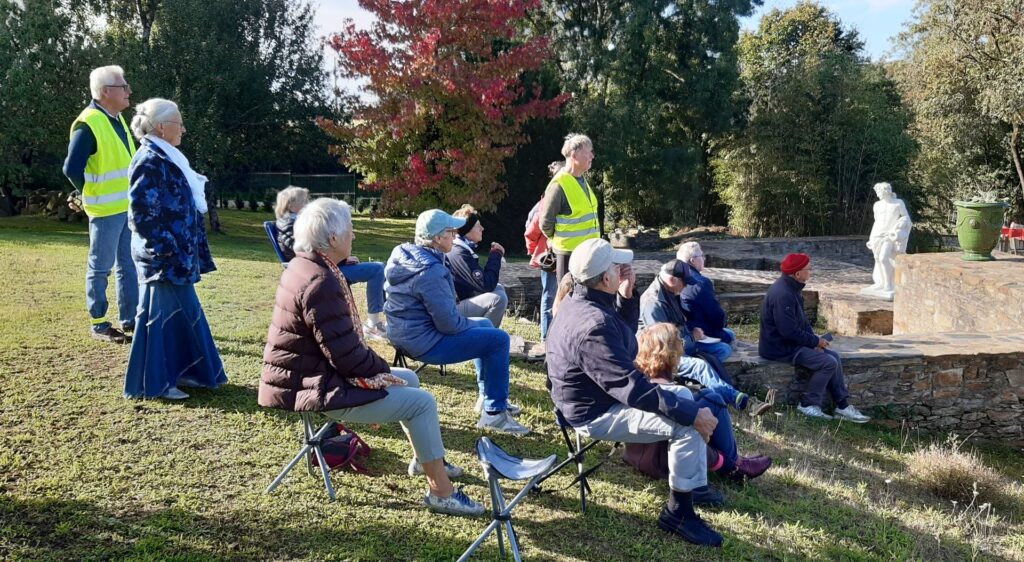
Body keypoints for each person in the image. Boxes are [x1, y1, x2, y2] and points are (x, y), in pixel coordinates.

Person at [259, 198, 484, 516]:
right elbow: (347, 358)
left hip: (308, 375)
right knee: (422, 402)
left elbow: (342, 349)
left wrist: (380, 371)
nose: (354, 235)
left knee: (410, 378)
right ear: (333, 238)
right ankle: (441, 493)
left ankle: (424, 459)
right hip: (312, 386)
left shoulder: (307, 265)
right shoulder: (321, 282)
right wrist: (380, 372)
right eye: (350, 230)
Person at [546, 238, 726, 547]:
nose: (623, 269)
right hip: (594, 412)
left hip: (595, 397)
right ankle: (679, 513)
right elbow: (631, 389)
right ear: (605, 279)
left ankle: (693, 484)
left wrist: (626, 296)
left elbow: (624, 344)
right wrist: (692, 415)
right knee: (687, 422)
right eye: (616, 267)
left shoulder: (580, 301)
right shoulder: (593, 324)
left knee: (684, 400)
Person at [384, 209, 530, 435]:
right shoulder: (430, 271)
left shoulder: (406, 254)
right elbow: (449, 325)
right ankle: (494, 414)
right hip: (423, 342)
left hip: (403, 334)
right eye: (451, 232)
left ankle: (487, 398)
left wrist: (474, 324)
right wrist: (470, 324)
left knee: (486, 326)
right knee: (499, 339)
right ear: (437, 238)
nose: (455, 236)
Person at [123, 98, 226, 400]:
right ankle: (157, 383)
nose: (183, 129)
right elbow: (142, 214)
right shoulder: (149, 160)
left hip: (177, 257)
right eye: (179, 123)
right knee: (161, 320)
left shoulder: (167, 156)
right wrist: (167, 250)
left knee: (184, 314)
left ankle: (188, 374)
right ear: (161, 127)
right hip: (163, 260)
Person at [625, 323, 773, 483]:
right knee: (714, 400)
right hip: (660, 462)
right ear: (670, 352)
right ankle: (734, 466)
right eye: (679, 341)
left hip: (636, 455)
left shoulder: (640, 380)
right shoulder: (671, 390)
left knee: (708, 395)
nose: (682, 346)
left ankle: (735, 460)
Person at [639, 260, 774, 416]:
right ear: (672, 280)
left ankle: (709, 385)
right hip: (662, 355)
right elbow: (663, 348)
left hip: (681, 343)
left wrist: (692, 333)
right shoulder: (654, 303)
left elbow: (679, 326)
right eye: (684, 282)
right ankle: (741, 401)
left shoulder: (670, 292)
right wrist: (693, 338)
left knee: (722, 350)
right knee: (700, 366)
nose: (686, 286)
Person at [63, 65, 138, 343]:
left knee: (128, 266)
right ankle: (99, 324)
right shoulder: (89, 123)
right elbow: (71, 168)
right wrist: (87, 193)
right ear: (106, 92)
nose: (129, 91)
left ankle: (131, 320)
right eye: (123, 86)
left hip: (126, 208)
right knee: (101, 267)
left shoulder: (116, 119)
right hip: (106, 210)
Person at [759, 253, 871, 423]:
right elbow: (788, 332)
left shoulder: (792, 288)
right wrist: (815, 342)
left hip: (789, 344)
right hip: (780, 348)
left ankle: (842, 406)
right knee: (828, 362)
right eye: (809, 269)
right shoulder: (784, 294)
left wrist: (814, 340)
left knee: (834, 356)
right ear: (797, 273)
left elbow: (801, 323)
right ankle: (808, 405)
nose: (811, 271)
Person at [273, 186, 387, 339]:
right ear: (291, 205)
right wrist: (340, 258)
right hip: (327, 268)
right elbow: (305, 251)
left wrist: (342, 257)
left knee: (379, 268)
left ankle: (380, 320)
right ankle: (375, 323)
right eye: (304, 200)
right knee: (378, 269)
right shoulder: (295, 224)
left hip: (330, 266)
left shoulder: (297, 222)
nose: (308, 203)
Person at [541, 134, 600, 285]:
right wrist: (558, 241)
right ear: (574, 155)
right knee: (569, 296)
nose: (592, 156)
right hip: (569, 255)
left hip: (589, 252)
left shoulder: (581, 179)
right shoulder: (558, 185)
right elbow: (545, 223)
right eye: (588, 152)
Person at [523, 162, 564, 359]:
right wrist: (537, 253)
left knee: (557, 295)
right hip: (551, 258)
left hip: (562, 255)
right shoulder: (547, 201)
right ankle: (547, 338)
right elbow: (531, 231)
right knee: (550, 296)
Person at [446, 204, 508, 329]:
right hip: (450, 311)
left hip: (458, 301)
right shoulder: (459, 252)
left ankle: (483, 333)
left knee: (499, 288)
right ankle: (484, 338)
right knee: (498, 298)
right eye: (478, 225)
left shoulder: (461, 247)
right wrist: (496, 255)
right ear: (467, 229)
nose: (482, 228)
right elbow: (486, 284)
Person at [677, 241, 736, 362]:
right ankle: (700, 366)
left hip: (685, 328)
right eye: (701, 256)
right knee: (727, 344)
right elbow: (716, 314)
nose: (704, 258)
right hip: (696, 331)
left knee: (730, 333)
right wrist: (720, 327)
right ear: (692, 261)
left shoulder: (676, 277)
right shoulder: (701, 283)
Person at [860, 182, 911, 300]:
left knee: (884, 258)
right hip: (877, 234)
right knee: (878, 259)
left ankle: (888, 284)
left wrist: (901, 223)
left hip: (889, 235)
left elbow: (906, 218)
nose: (877, 194)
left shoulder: (898, 203)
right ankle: (881, 283)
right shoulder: (877, 205)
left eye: (878, 191)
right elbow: (876, 221)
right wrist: (871, 237)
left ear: (885, 191)